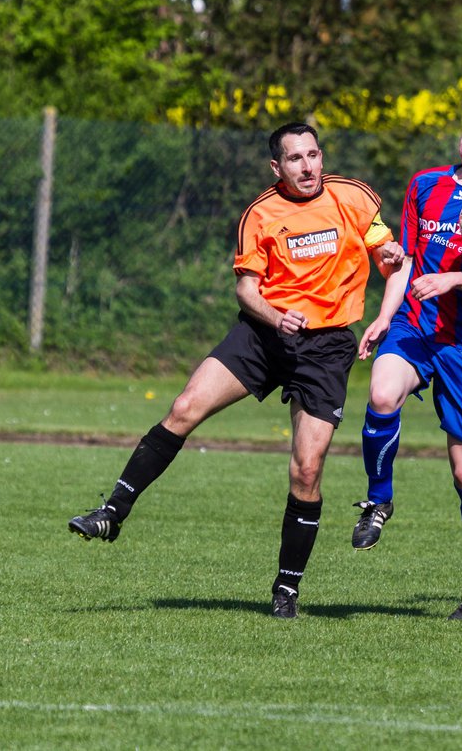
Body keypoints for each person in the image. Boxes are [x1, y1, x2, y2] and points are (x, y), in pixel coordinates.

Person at [67, 122, 403, 620]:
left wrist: (385, 301)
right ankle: (113, 511)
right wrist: (275, 315)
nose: (308, 166)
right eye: (295, 159)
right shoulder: (260, 213)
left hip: (327, 346)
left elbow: (390, 259)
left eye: (313, 155)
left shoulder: (353, 197)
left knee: (306, 471)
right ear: (277, 167)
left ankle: (287, 587)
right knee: (184, 408)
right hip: (262, 336)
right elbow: (247, 290)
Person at [354, 88, 462, 620]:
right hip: (414, 324)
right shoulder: (425, 186)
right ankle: (378, 499)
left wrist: (455, 277)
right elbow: (405, 261)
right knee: (382, 393)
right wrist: (384, 316)